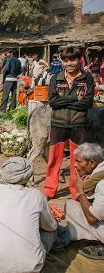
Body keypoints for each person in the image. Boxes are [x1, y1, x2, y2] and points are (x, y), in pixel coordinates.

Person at [43, 46, 95, 200]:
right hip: (58, 124)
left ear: (79, 60)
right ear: (62, 62)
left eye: (72, 60)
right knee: (53, 159)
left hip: (78, 124)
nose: (69, 63)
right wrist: (74, 99)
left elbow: (87, 103)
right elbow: (52, 102)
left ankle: (76, 192)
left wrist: (63, 101)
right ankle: (49, 190)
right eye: (65, 60)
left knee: (77, 161)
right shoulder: (56, 78)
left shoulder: (87, 79)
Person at [64, 143, 104, 258]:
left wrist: (81, 191)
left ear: (92, 163)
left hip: (96, 220)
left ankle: (95, 241)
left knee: (72, 206)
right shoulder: (98, 175)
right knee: (72, 204)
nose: (74, 165)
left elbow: (92, 219)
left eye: (78, 161)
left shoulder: (101, 184)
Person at [0, 48, 22, 113]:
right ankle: (12, 108)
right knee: (13, 95)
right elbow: (20, 70)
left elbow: (6, 68)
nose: (8, 54)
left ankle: (3, 109)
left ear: (12, 53)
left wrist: (2, 72)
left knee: (5, 95)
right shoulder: (18, 61)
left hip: (9, 78)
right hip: (15, 79)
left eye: (9, 53)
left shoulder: (9, 59)